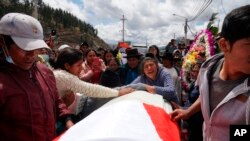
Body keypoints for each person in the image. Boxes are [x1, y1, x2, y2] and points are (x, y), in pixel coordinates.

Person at [170, 5, 250, 141]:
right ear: (224, 45)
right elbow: (206, 93)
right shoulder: (208, 69)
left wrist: (227, 133)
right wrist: (188, 112)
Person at [0, 13, 73, 141]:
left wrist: (67, 120)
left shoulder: (45, 71)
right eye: (24, 48)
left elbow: (56, 101)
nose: (32, 55)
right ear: (3, 42)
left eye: (36, 48)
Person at [52, 48, 134, 121]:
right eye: (78, 65)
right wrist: (118, 93)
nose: (81, 68)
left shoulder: (60, 74)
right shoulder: (64, 76)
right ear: (67, 65)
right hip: (80, 107)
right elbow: (91, 89)